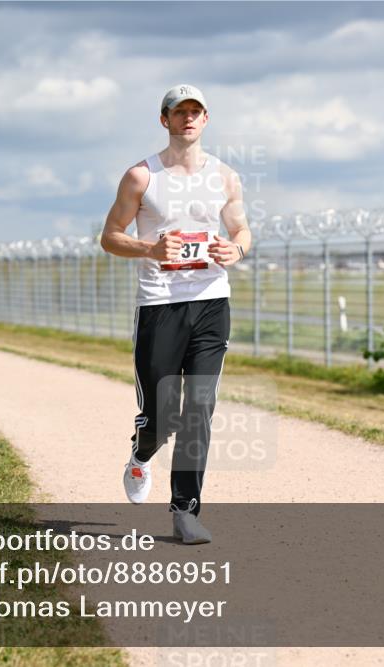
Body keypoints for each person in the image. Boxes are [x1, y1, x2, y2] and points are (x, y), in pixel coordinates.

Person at [100, 84, 252, 545]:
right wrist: (150, 246)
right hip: (160, 305)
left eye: (195, 111)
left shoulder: (226, 176)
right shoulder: (140, 177)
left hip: (211, 301)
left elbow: (242, 228)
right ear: (163, 120)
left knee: (199, 410)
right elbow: (110, 236)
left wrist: (236, 249)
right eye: (178, 111)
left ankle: (185, 511)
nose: (188, 118)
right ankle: (142, 453)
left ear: (206, 120)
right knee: (163, 417)